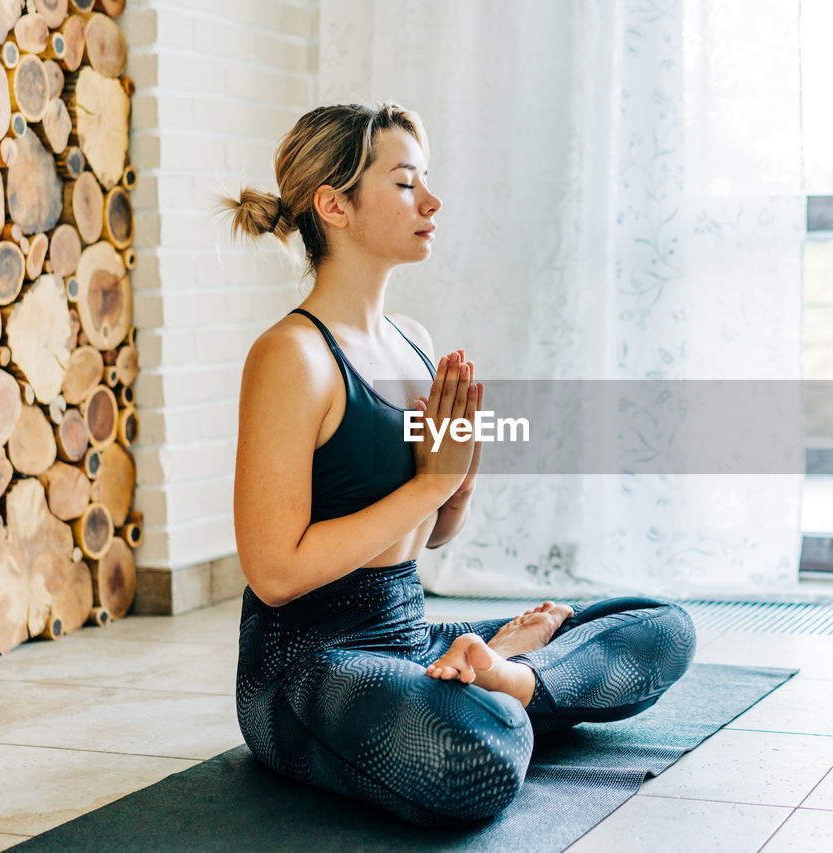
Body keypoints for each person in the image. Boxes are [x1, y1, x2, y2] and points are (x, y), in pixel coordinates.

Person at [220, 101, 696, 827]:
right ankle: (510, 684)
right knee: (483, 752)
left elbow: (431, 536)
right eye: (407, 183)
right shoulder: (293, 356)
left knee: (660, 626)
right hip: (310, 667)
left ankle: (502, 672)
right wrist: (433, 480)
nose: (432, 201)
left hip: (411, 634)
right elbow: (274, 570)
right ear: (334, 205)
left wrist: (457, 486)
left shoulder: (413, 341)